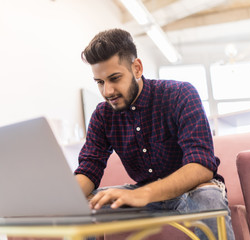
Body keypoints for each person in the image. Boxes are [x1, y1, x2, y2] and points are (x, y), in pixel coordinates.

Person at [74, 28, 235, 240]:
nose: (107, 91)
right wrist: (65, 199)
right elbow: (89, 168)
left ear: (137, 68)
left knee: (209, 199)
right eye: (100, 82)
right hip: (143, 196)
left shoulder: (180, 95)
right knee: (84, 208)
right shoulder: (102, 115)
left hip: (191, 192)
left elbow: (202, 165)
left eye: (114, 78)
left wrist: (142, 194)